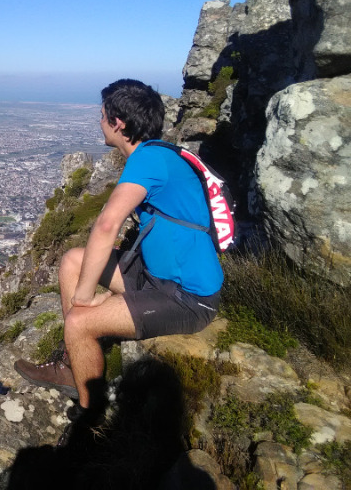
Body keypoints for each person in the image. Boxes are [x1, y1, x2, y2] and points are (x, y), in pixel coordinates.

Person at [14, 79, 223, 414]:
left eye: (102, 116)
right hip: (155, 276)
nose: (99, 122)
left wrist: (83, 298)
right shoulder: (157, 156)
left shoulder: (149, 159)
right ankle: (73, 364)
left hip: (187, 297)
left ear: (118, 123)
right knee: (71, 261)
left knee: (78, 321)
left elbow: (107, 224)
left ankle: (90, 418)